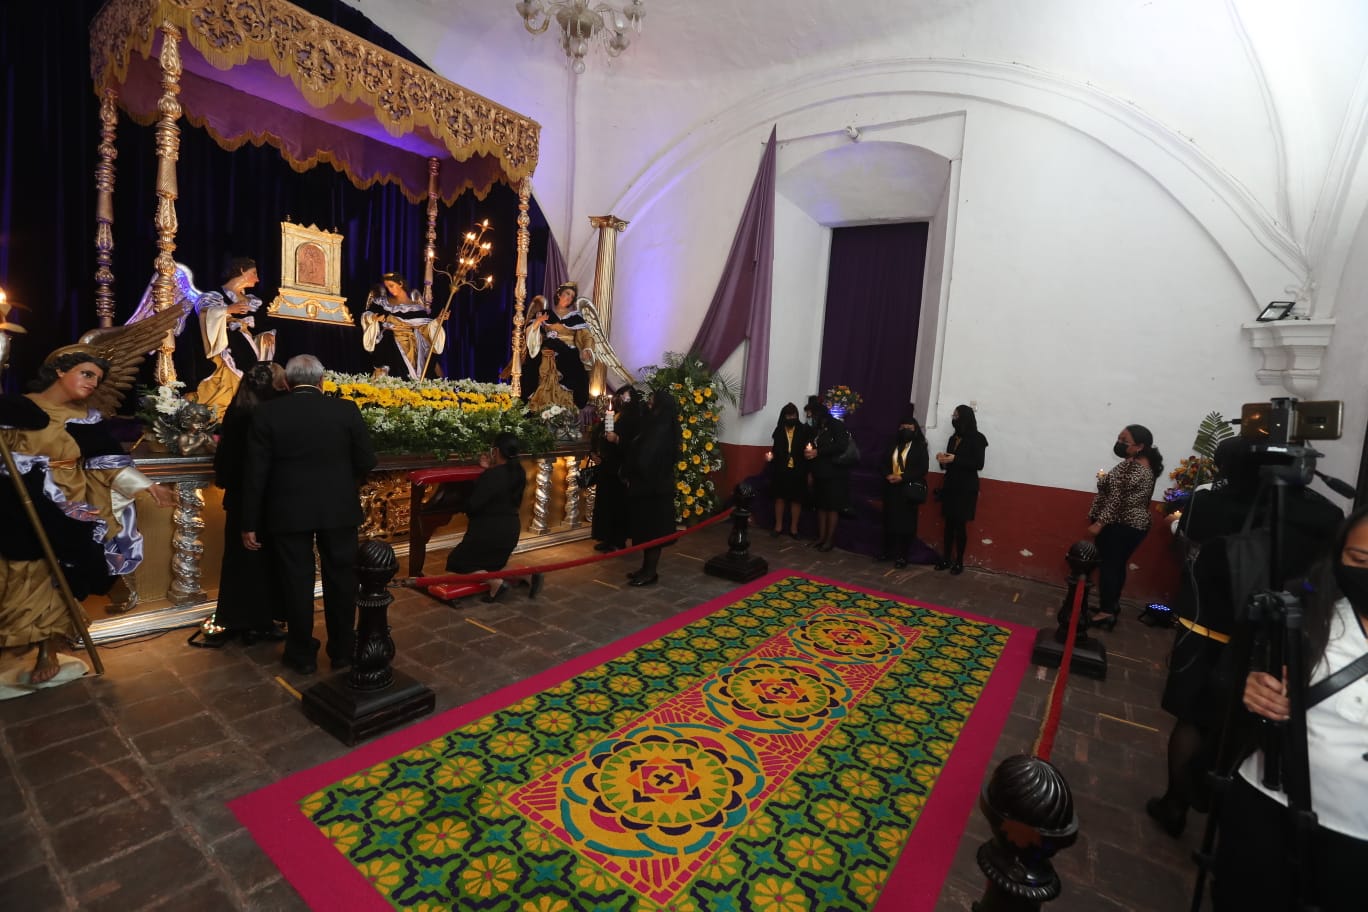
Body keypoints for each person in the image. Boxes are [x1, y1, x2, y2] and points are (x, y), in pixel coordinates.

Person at [1146, 438, 1342, 838]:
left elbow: (1185, 542)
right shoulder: (1324, 513)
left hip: (1210, 627)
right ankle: (1226, 817)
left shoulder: (1208, 504)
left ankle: (1175, 804)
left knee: (1194, 717)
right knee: (1255, 724)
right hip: (1277, 634)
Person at [1211, 505, 1368, 912]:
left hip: (1357, 834)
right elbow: (1232, 672)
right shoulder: (1303, 607)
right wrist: (1251, 686)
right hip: (1269, 799)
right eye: (1361, 561)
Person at [0, 349, 175, 683]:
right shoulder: (18, 409)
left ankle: (46, 650)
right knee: (19, 571)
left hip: (69, 504)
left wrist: (146, 486)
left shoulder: (87, 419)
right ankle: (14, 645)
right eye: (86, 373)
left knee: (59, 577)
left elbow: (108, 462)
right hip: (19, 504)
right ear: (59, 371)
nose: (93, 383)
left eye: (97, 378)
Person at [241, 354, 377, 675]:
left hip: (288, 512)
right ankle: (343, 651)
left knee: (295, 581)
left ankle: (301, 654)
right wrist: (343, 480)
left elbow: (255, 474)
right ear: (322, 380)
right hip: (339, 509)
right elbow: (367, 460)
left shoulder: (266, 413)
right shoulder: (345, 410)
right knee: (342, 580)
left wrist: (249, 522)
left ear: (286, 382)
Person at [208, 363, 287, 644]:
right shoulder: (268, 414)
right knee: (263, 561)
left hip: (239, 498)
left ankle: (236, 619)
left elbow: (226, 462)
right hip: (262, 499)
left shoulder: (237, 411)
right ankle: (261, 622)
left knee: (238, 561)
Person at [444, 432, 542, 602]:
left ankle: (495, 583)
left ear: (495, 451)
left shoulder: (492, 475)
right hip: (510, 531)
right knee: (493, 564)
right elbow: (500, 486)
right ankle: (528, 576)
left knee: (456, 562)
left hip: (489, 531)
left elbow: (473, 505)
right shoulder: (519, 472)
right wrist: (488, 470)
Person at [1087, 423, 1163, 627]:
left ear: (1139, 446)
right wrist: (1104, 480)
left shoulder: (1133, 468)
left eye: (1124, 441)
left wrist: (1100, 523)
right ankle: (1111, 605)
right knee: (1116, 566)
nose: (1119, 444)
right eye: (1119, 439)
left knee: (1109, 568)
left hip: (1121, 524)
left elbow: (1117, 499)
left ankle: (1106, 613)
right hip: (1132, 526)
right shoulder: (1144, 464)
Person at [195, 257, 277, 415]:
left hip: (249, 348)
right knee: (228, 381)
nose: (258, 279)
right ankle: (218, 415)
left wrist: (266, 334)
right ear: (241, 271)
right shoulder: (214, 296)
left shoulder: (254, 302)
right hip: (226, 348)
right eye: (254, 273)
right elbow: (204, 315)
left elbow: (262, 325)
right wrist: (227, 310)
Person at [623, 389, 680, 587]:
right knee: (647, 530)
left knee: (653, 531)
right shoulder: (656, 424)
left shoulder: (662, 427)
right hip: (649, 487)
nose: (648, 404)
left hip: (654, 489)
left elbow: (647, 457)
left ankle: (650, 572)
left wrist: (633, 470)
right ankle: (646, 568)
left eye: (651, 401)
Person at [524, 283, 595, 411]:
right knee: (537, 368)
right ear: (559, 294)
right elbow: (531, 335)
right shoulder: (545, 314)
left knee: (573, 371)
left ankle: (562, 413)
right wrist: (539, 322)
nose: (569, 297)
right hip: (548, 353)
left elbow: (586, 336)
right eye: (567, 293)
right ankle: (542, 409)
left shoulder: (576, 318)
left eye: (572, 296)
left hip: (568, 354)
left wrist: (586, 349)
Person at [935, 404, 988, 574]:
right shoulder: (953, 438)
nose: (954, 418)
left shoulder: (978, 438)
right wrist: (942, 460)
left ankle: (959, 561)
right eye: (953, 415)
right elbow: (948, 465)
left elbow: (978, 464)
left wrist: (955, 459)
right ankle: (946, 559)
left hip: (966, 488)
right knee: (948, 525)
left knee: (960, 525)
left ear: (965, 417)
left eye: (956, 416)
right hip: (951, 485)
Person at [360, 272, 444, 379]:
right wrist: (374, 318)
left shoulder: (417, 308)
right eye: (387, 287)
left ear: (400, 283)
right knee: (389, 338)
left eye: (391, 286)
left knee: (426, 347)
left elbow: (425, 327)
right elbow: (367, 315)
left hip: (414, 342)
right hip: (390, 340)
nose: (390, 290)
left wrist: (438, 321)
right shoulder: (382, 303)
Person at [590, 385, 640, 553]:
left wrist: (618, 439)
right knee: (605, 504)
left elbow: (636, 445)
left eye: (626, 398)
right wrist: (595, 452)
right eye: (620, 397)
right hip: (606, 466)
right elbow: (599, 433)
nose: (621, 401)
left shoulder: (634, 418)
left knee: (619, 505)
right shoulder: (613, 415)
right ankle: (606, 537)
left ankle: (618, 539)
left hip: (620, 469)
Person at [879, 408, 929, 568]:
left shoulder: (920, 446)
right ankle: (887, 551)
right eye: (903, 428)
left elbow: (922, 469)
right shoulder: (893, 444)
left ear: (915, 430)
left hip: (908, 489)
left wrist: (903, 477)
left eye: (910, 428)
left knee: (906, 524)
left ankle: (903, 555)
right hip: (891, 488)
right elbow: (882, 462)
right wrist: (887, 474)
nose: (906, 431)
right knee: (889, 521)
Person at [803, 396, 853, 553]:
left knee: (831, 507)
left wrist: (819, 452)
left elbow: (841, 446)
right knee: (821, 506)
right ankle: (821, 537)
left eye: (810, 414)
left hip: (834, 474)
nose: (809, 418)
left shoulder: (836, 425)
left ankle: (829, 540)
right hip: (819, 472)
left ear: (819, 414)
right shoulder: (817, 429)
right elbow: (813, 446)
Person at [765, 402, 811, 538]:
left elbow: (808, 449)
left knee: (796, 499)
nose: (791, 418)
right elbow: (774, 449)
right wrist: (771, 457)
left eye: (794, 415)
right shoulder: (779, 430)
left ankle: (794, 529)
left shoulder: (803, 429)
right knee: (780, 498)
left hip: (798, 469)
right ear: (784, 416)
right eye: (789, 416)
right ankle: (778, 527)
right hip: (781, 469)